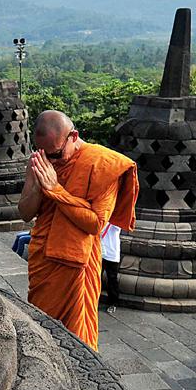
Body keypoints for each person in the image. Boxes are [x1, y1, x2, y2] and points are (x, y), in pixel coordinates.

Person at [18, 110, 138, 351]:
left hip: (77, 265)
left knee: (76, 339)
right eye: (45, 154)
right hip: (44, 259)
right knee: (42, 328)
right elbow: (25, 213)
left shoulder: (103, 165)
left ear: (74, 136)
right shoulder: (42, 161)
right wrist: (40, 187)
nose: (52, 161)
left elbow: (95, 223)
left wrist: (56, 190)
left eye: (56, 154)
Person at [100, 222, 121, 314]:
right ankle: (94, 300)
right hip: (99, 250)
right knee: (96, 277)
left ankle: (113, 303)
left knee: (112, 279)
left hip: (112, 252)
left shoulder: (117, 220)